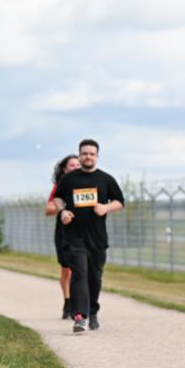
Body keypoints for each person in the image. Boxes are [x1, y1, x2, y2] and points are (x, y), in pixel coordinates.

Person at [52, 139, 124, 333]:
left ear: (97, 156)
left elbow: (120, 201)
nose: (88, 157)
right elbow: (57, 198)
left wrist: (106, 207)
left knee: (94, 277)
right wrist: (62, 212)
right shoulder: (69, 179)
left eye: (91, 154)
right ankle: (80, 316)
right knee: (79, 273)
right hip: (74, 236)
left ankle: (92, 311)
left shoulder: (105, 179)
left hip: (97, 238)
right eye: (84, 153)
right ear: (80, 155)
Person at [46, 154, 81, 319]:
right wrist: (63, 208)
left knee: (81, 267)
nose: (75, 167)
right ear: (65, 169)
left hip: (83, 230)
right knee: (66, 269)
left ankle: (79, 304)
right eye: (72, 165)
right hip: (64, 230)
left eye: (77, 165)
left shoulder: (88, 184)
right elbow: (48, 209)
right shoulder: (59, 187)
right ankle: (68, 301)